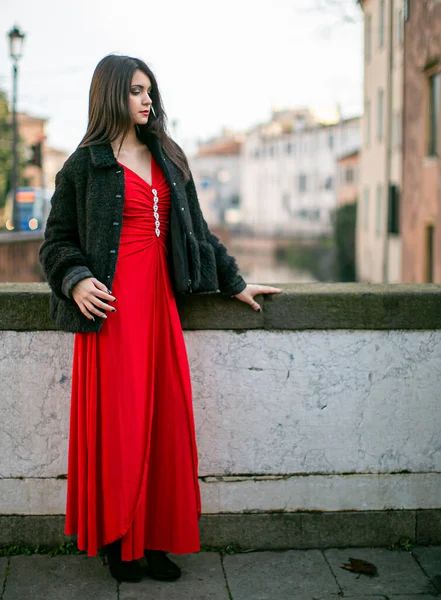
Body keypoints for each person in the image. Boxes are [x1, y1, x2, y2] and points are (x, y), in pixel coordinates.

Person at [39, 53, 281, 583]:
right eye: (134, 90)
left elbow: (196, 232)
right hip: (113, 314)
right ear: (110, 96)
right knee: (122, 429)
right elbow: (55, 242)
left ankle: (153, 538)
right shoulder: (83, 165)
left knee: (164, 424)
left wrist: (235, 282)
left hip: (160, 309)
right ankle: (120, 544)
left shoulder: (169, 156)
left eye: (149, 89)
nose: (147, 99)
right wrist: (76, 278)